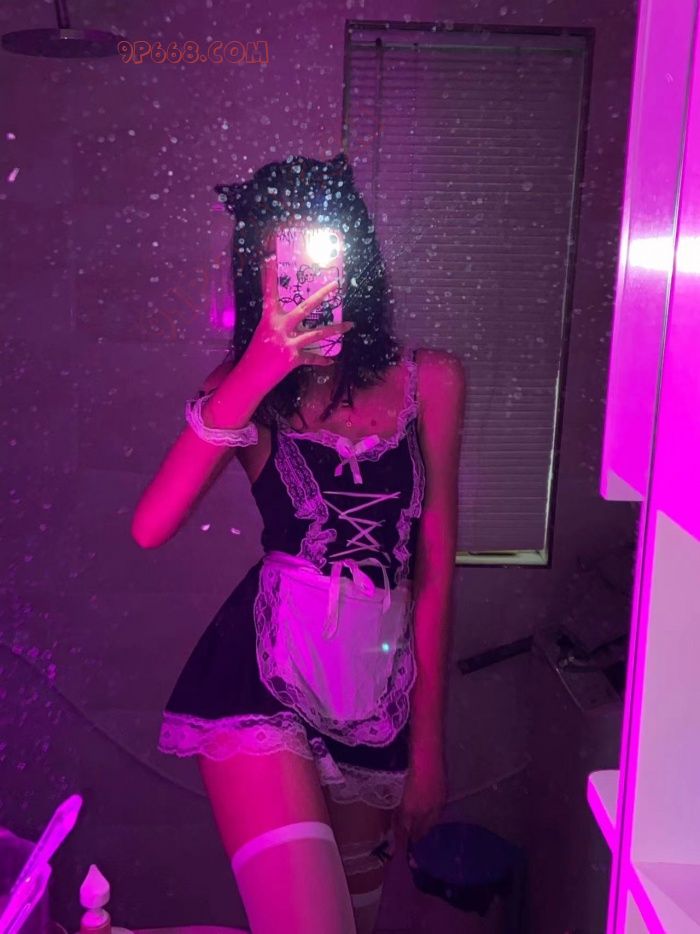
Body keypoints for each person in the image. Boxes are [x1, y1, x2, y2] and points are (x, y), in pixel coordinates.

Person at [131, 152, 465, 934]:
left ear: (356, 254)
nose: (303, 276)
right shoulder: (241, 388)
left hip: (376, 693)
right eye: (277, 257)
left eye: (319, 247)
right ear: (258, 271)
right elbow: (150, 527)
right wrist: (258, 367)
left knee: (355, 920)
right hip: (258, 677)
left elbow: (435, 572)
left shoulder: (433, 382)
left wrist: (428, 745)